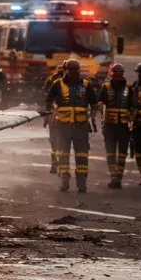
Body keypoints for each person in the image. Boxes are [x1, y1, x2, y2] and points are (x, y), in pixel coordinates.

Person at [45, 58, 98, 192]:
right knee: (63, 153)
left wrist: (91, 118)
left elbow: (94, 104)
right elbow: (48, 102)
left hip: (81, 126)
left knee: (82, 155)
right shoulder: (57, 84)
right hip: (63, 125)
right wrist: (50, 117)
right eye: (70, 70)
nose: (73, 73)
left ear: (78, 70)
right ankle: (64, 180)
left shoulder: (86, 84)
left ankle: (81, 183)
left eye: (75, 70)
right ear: (65, 70)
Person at [97, 63, 132, 189]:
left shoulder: (106, 87)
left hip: (111, 125)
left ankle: (114, 177)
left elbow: (100, 104)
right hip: (122, 125)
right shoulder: (128, 87)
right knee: (121, 153)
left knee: (112, 152)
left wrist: (102, 116)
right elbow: (132, 107)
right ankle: (118, 178)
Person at [42, 62, 67, 174]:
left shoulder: (52, 79)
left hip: (54, 113)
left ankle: (54, 164)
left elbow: (46, 94)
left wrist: (46, 120)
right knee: (61, 140)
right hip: (62, 115)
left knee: (53, 140)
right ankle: (58, 163)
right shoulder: (68, 80)